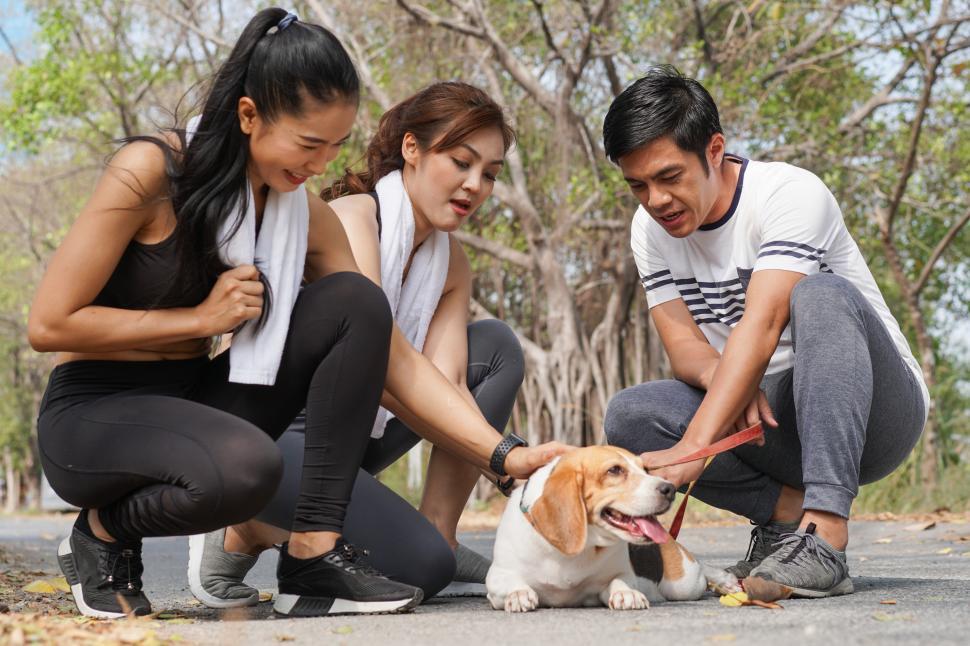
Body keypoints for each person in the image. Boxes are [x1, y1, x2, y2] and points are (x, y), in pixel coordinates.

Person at [29, 8, 566, 620]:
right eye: (309, 144)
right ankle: (101, 531)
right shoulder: (152, 172)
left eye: (335, 146)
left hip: (193, 399)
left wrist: (503, 456)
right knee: (249, 467)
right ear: (249, 114)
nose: (319, 165)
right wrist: (200, 320)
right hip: (93, 414)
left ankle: (313, 552)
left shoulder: (301, 213)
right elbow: (49, 323)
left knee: (356, 301)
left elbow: (394, 357)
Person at [188, 81, 524, 606]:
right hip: (277, 434)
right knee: (424, 569)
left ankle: (441, 532)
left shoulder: (451, 262)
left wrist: (518, 464)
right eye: (461, 162)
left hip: (352, 440)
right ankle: (250, 526)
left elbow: (451, 382)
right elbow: (387, 369)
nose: (474, 185)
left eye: (490, 174)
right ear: (411, 149)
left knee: (495, 345)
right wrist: (501, 455)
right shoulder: (354, 219)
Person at [601, 66, 927, 598]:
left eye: (669, 177)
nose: (656, 200)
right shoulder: (650, 231)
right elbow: (684, 347)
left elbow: (765, 321)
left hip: (874, 415)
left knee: (822, 294)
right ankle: (786, 521)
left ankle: (825, 534)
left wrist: (694, 448)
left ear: (713, 150)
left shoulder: (789, 193)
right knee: (632, 416)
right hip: (767, 418)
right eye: (638, 185)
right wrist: (728, 374)